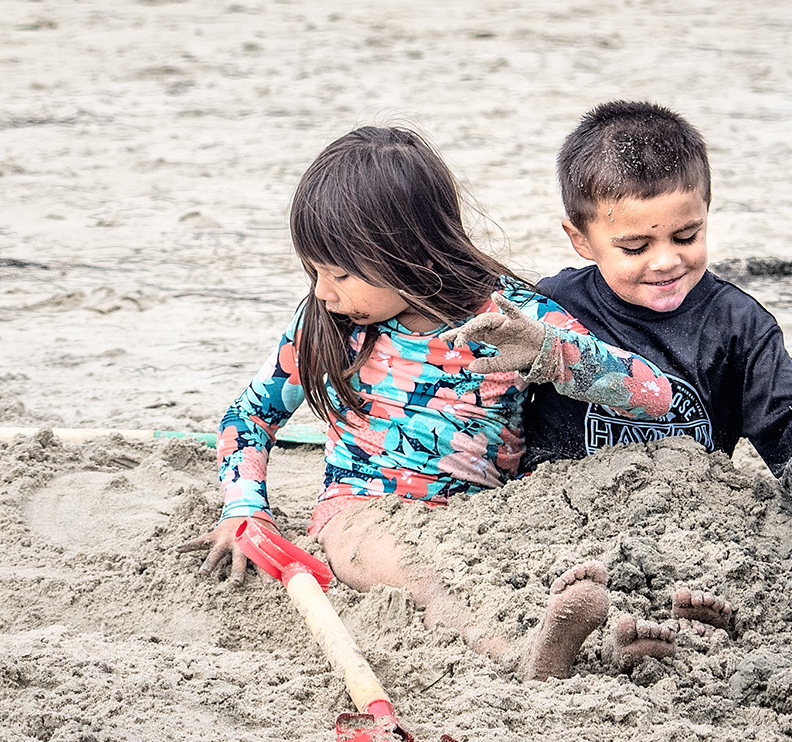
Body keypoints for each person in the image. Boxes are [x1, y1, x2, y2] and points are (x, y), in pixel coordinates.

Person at [178, 125, 678, 681]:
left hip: (489, 517)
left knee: (558, 570)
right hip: (359, 514)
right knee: (426, 578)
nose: (322, 290)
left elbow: (655, 396)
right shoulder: (328, 325)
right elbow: (249, 416)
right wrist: (245, 507)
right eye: (314, 270)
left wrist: (550, 353)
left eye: (341, 273)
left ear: (409, 255)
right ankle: (518, 656)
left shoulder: (510, 318)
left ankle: (607, 649)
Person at [515, 101, 792, 661]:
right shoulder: (549, 307)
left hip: (691, 521)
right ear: (580, 239)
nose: (666, 261)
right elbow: (480, 386)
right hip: (566, 514)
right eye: (635, 247)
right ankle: (585, 635)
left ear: (707, 212)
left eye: (687, 235)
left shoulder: (735, 324)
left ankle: (688, 627)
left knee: (704, 566)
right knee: (572, 574)